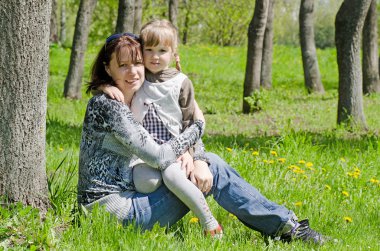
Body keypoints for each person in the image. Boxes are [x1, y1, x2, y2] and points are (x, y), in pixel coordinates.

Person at [78, 32, 326, 245]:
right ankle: (288, 227)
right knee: (214, 167)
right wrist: (198, 128)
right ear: (107, 68)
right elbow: (157, 155)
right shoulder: (107, 104)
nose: (133, 72)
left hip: (132, 198)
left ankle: (284, 225)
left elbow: (171, 130)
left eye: (137, 63)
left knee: (207, 164)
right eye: (123, 66)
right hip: (113, 214)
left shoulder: (139, 96)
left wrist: (194, 156)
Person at [99, 19, 222, 236]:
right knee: (148, 182)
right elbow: (115, 85)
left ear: (174, 54)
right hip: (144, 156)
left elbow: (189, 119)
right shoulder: (139, 78)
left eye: (162, 50)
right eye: (149, 50)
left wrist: (191, 152)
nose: (155, 56)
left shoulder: (181, 82)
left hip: (171, 150)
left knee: (174, 175)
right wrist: (104, 85)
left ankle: (210, 224)